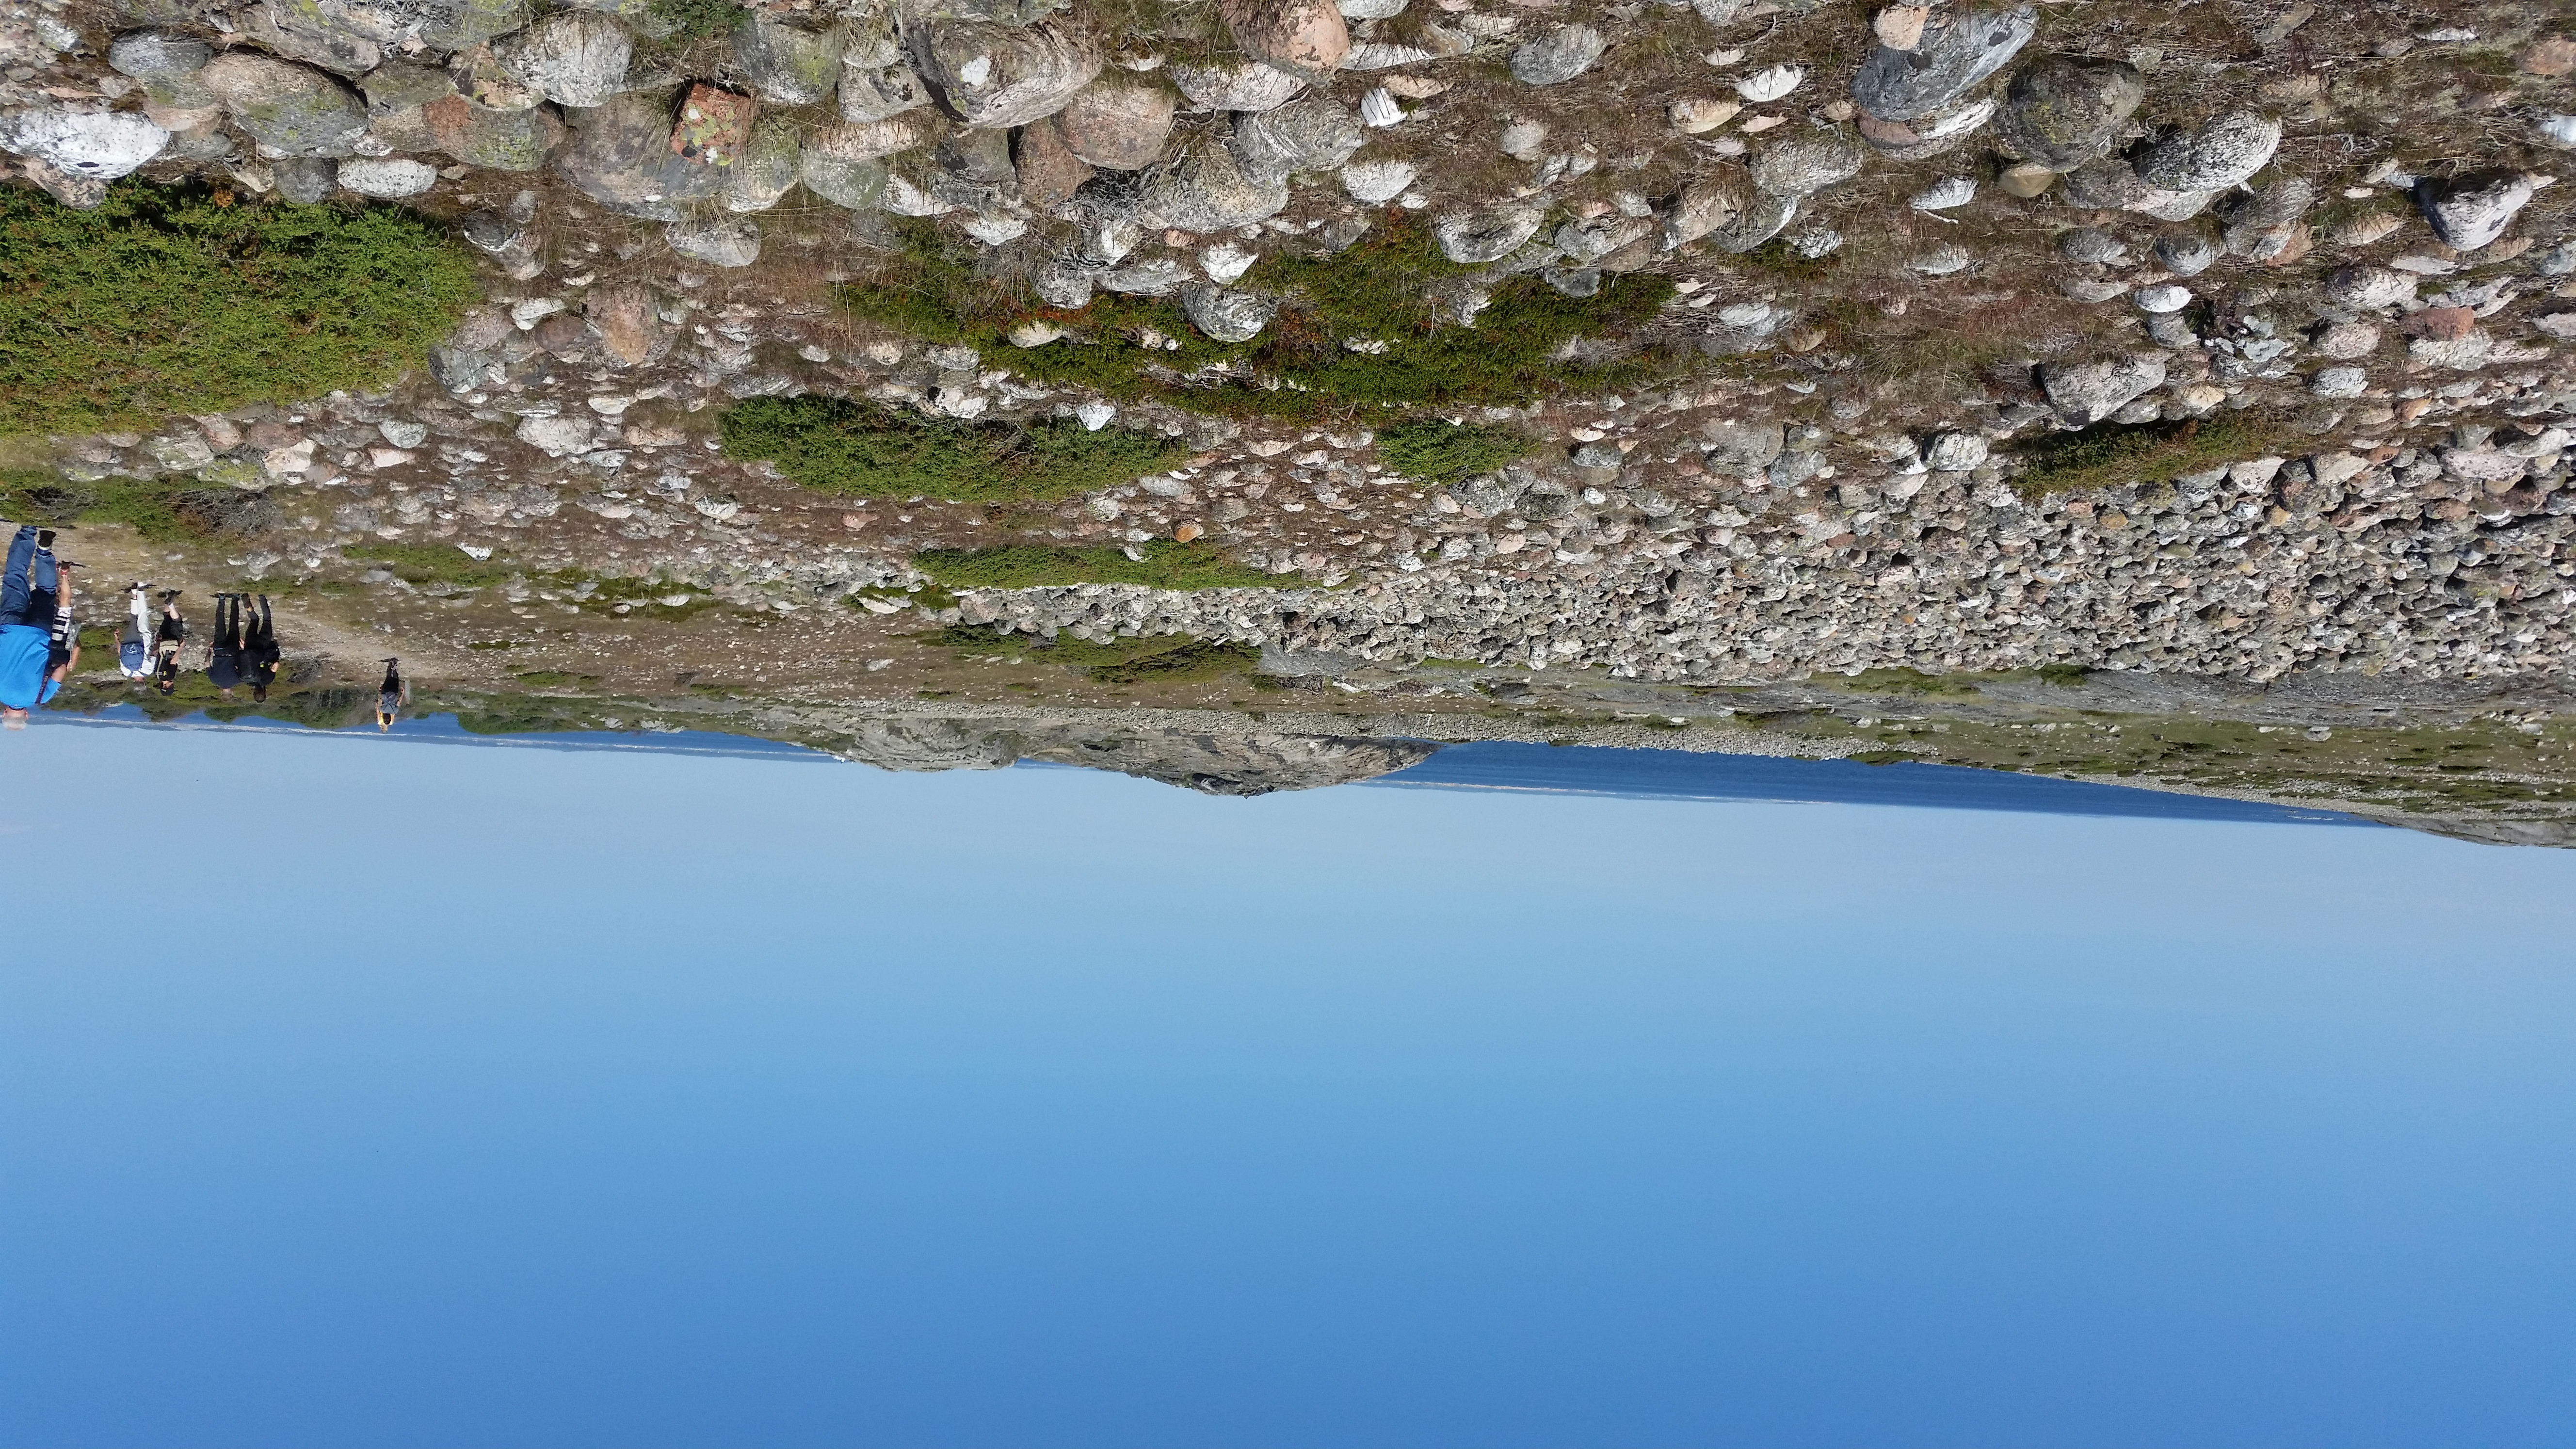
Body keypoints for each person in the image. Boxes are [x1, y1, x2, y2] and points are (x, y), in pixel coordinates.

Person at [0, 523, 78, 729]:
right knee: (15, 578)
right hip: (9, 629)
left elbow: (61, 668)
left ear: (26, 716)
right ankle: (27, 531)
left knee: (46, 591)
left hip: (40, 633)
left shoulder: (41, 697)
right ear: (4, 714)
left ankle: (44, 552)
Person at [207, 593, 247, 700]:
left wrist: (243, 650)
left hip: (232, 651)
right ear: (221, 693)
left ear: (232, 692)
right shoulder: (214, 680)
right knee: (220, 624)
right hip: (219, 650)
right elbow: (206, 663)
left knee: (234, 624)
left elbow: (242, 664)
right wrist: (210, 651)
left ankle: (235, 599)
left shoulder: (238, 680)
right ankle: (222, 599)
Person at [242, 594, 280, 704]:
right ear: (254, 692)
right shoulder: (248, 680)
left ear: (265, 692)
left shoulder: (268, 680)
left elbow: (276, 665)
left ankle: (262, 598)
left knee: (267, 620)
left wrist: (273, 660)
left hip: (263, 645)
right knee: (254, 620)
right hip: (249, 645)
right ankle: (249, 608)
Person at [152, 591, 187, 695]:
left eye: (170, 687)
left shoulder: (169, 676)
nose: (173, 685)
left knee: (177, 622)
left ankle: (170, 604)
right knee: (167, 618)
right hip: (162, 643)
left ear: (165, 686)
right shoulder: (157, 674)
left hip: (172, 645)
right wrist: (158, 642)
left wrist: (181, 647)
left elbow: (173, 661)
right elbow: (155, 655)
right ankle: (169, 597)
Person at [119, 582, 154, 680]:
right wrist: (118, 640)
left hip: (144, 642)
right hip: (128, 642)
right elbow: (120, 653)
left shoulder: (148, 671)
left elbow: (154, 654)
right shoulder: (126, 672)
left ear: (144, 682)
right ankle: (134, 594)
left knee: (142, 614)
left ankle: (141, 589)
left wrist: (159, 642)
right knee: (134, 618)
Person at [376, 657, 407, 730]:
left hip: (394, 693)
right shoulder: (382, 710)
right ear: (384, 717)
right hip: (385, 692)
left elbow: (399, 702)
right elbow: (381, 700)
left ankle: (393, 665)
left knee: (395, 679)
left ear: (390, 717)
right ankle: (391, 664)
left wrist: (402, 693)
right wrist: (380, 691)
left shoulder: (395, 712)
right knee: (388, 677)